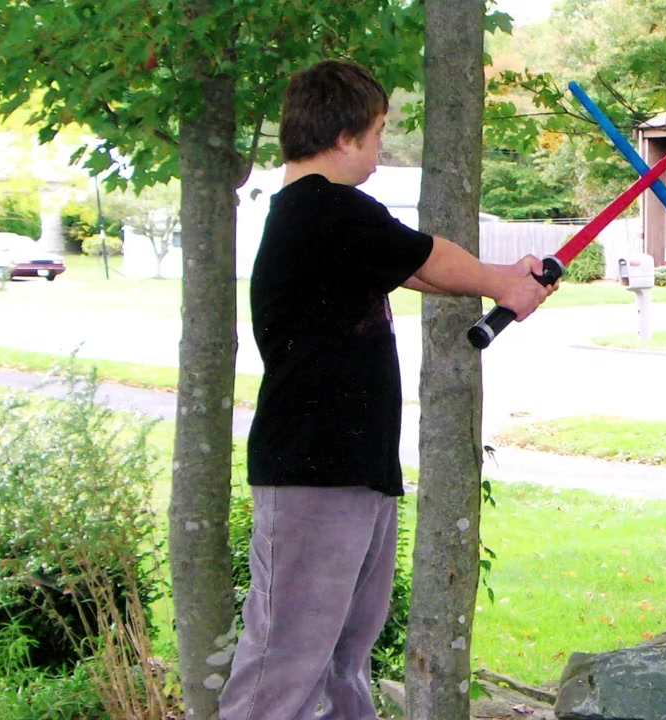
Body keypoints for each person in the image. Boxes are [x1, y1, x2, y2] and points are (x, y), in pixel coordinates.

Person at [218, 59, 553, 719]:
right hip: (314, 473)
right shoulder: (323, 207)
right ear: (344, 138)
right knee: (284, 666)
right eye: (375, 135)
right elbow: (430, 256)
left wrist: (505, 276)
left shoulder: (331, 223)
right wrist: (503, 285)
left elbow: (416, 270)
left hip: (353, 470)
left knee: (342, 662)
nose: (378, 151)